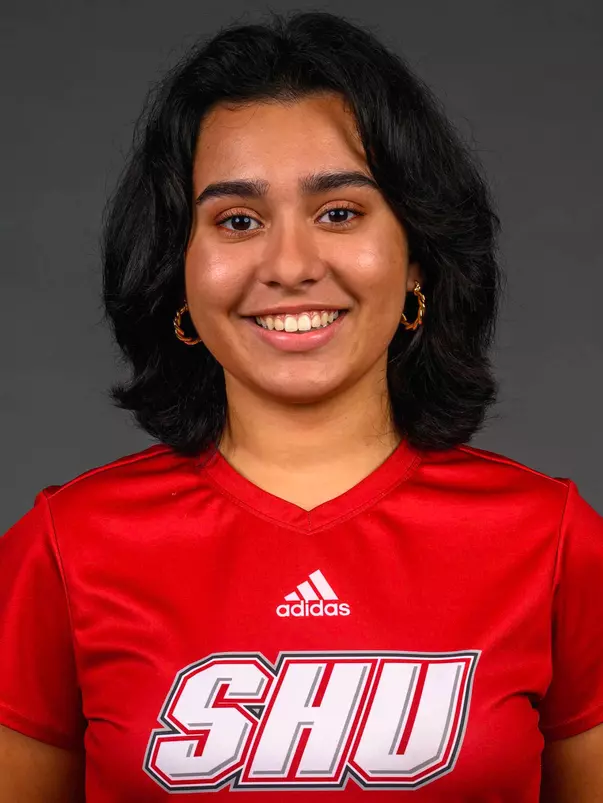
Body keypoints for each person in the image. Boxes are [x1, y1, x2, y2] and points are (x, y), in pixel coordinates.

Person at [1, 10, 602, 802]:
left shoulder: (553, 541)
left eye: (339, 212)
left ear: (417, 257)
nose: (289, 265)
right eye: (237, 220)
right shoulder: (61, 550)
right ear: (178, 267)